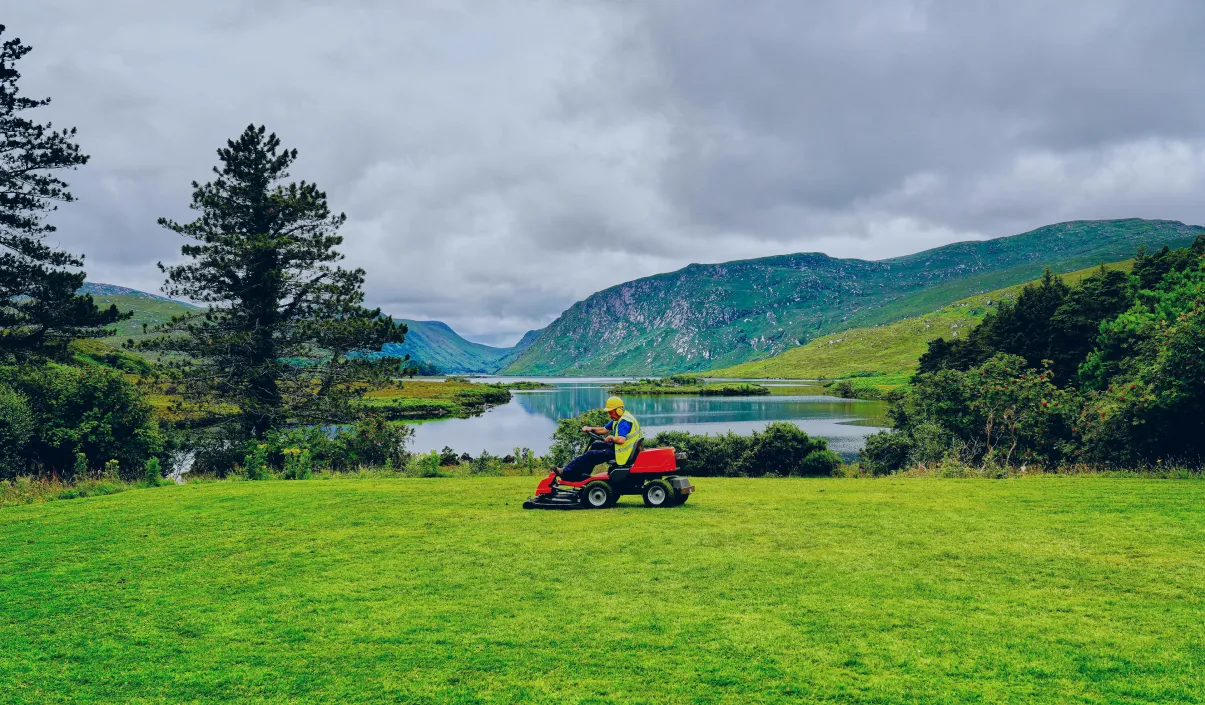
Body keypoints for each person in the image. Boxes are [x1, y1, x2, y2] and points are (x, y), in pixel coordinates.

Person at [555, 396, 644, 482]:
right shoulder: (619, 419)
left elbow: (621, 440)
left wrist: (611, 437)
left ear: (619, 410)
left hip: (622, 453)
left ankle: (565, 472)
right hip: (619, 449)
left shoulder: (625, 421)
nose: (609, 415)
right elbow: (603, 430)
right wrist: (591, 428)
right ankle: (583, 475)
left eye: (610, 412)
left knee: (590, 454)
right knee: (595, 445)